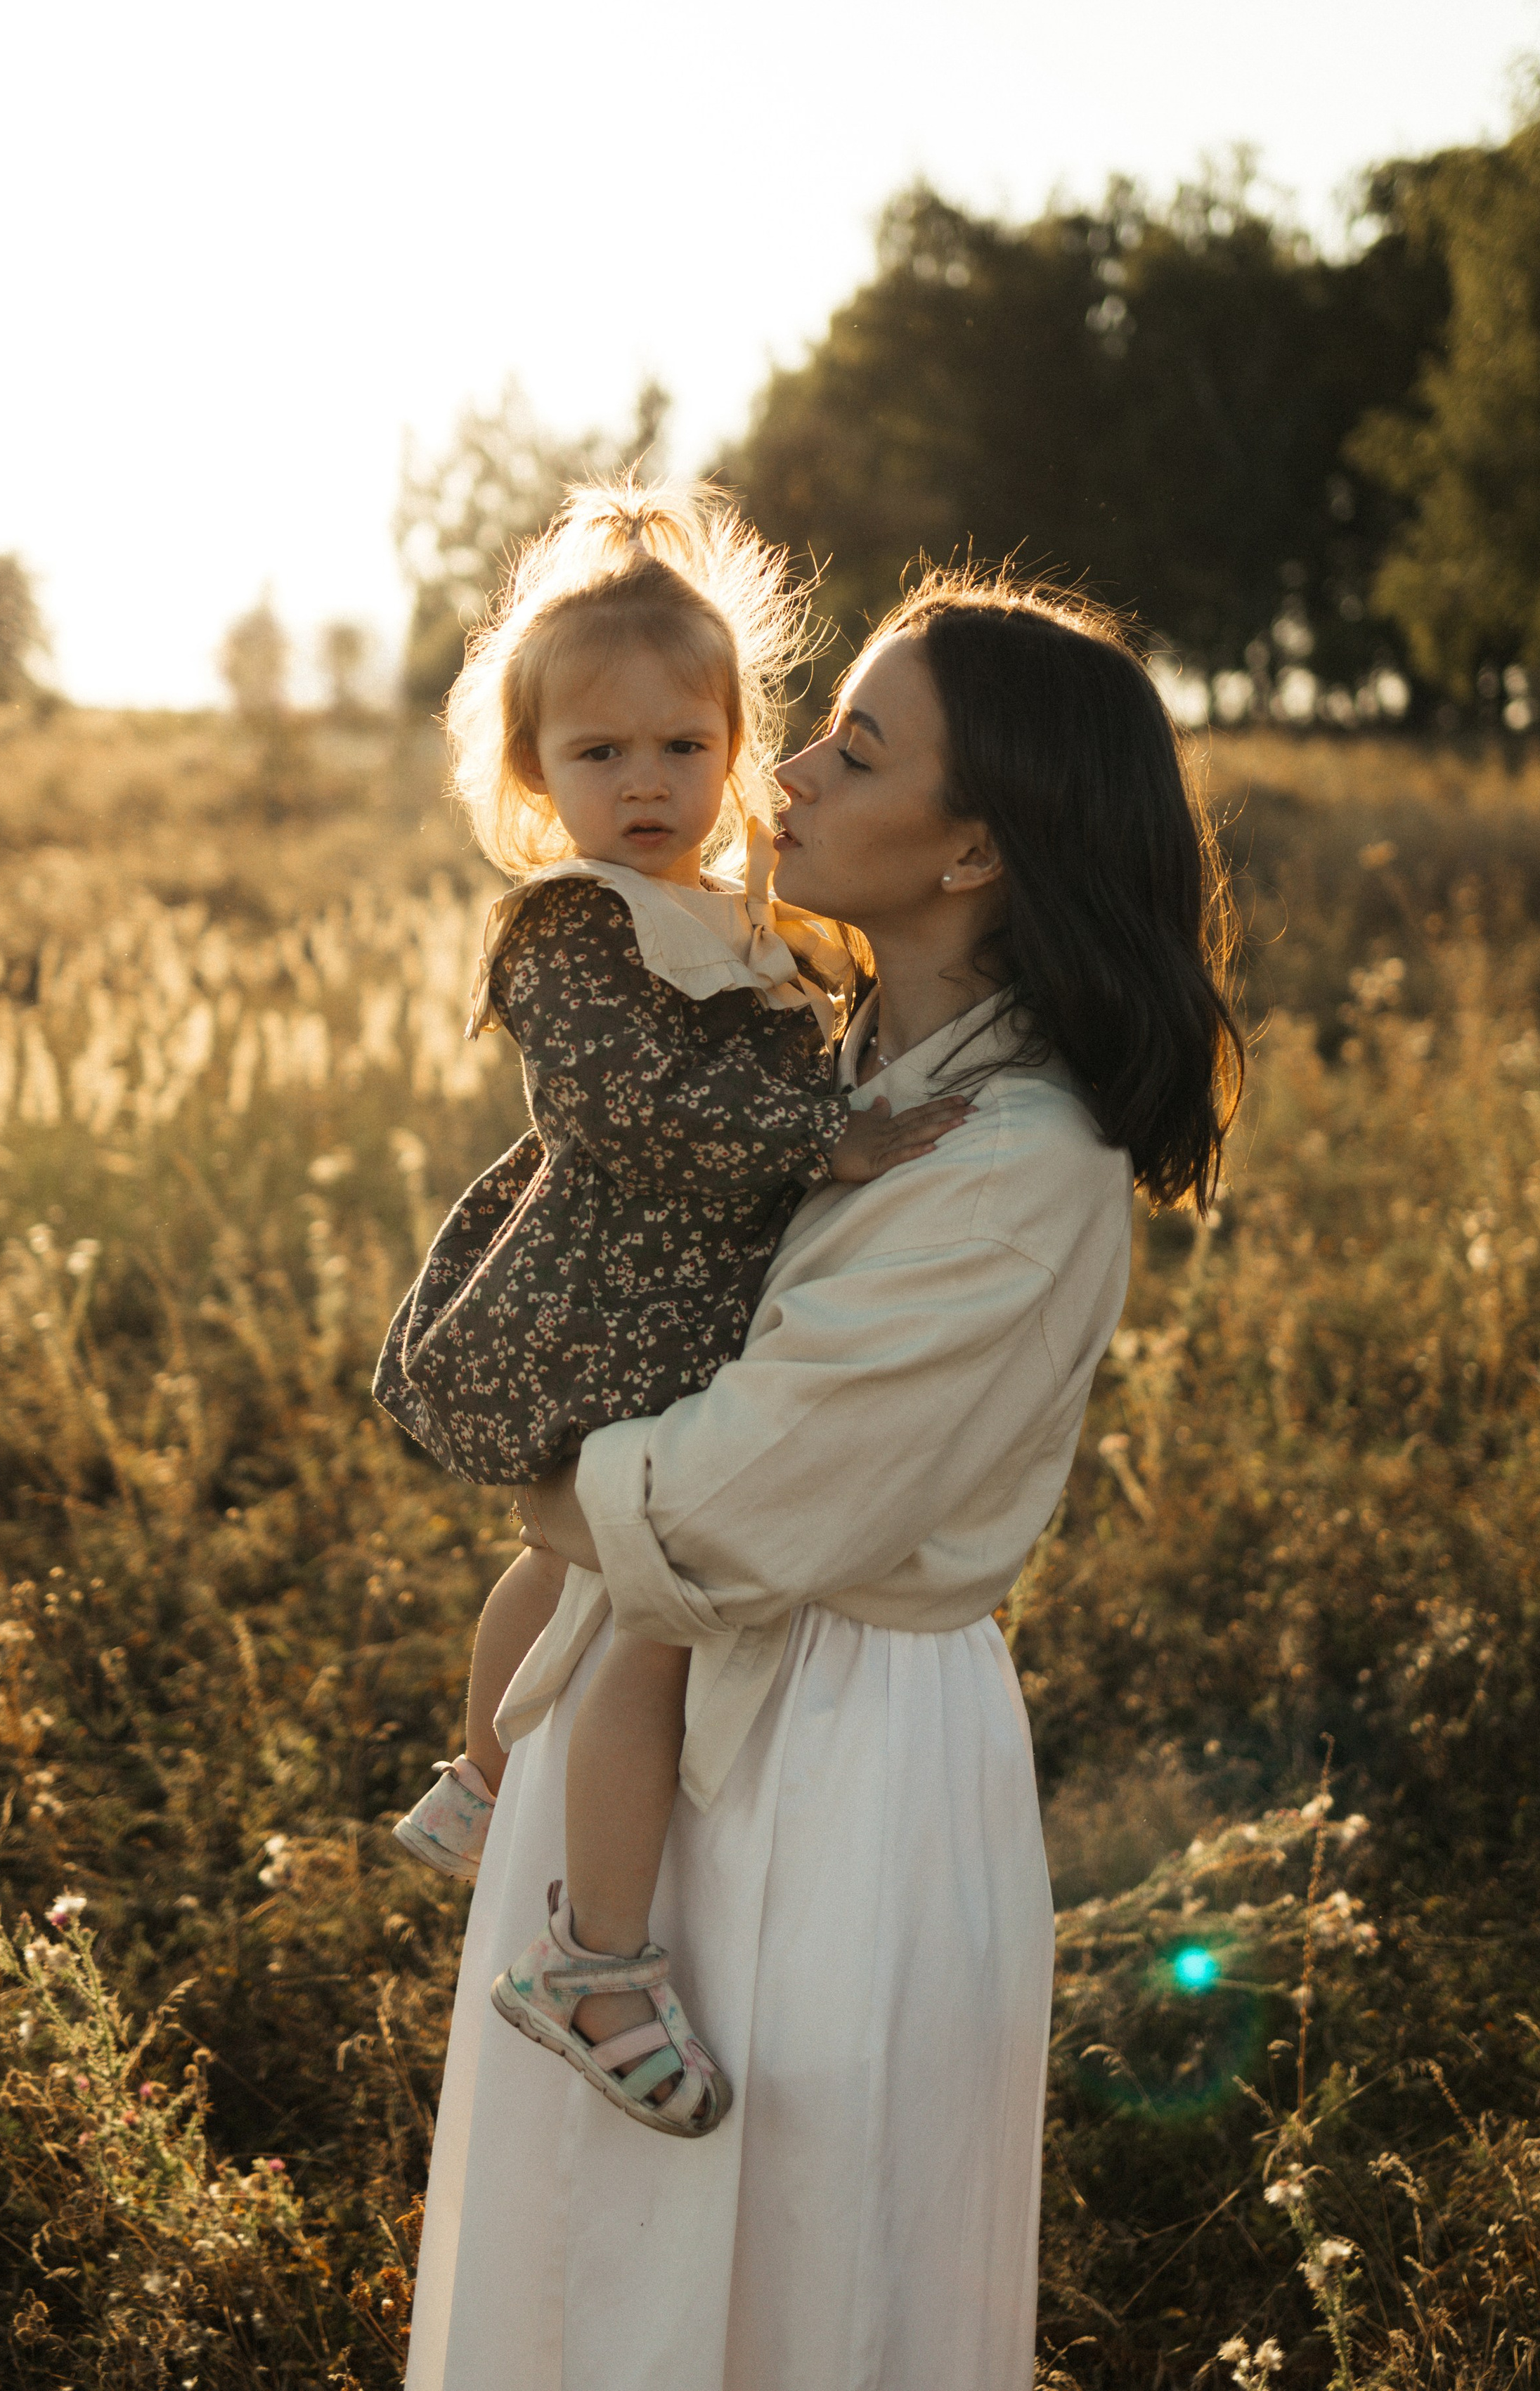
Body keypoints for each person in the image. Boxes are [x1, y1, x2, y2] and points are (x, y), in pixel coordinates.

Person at [404, 563, 1243, 2391]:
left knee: (787, 2296)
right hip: (646, 1748)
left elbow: (712, 1508)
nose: (778, 770)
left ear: (973, 850)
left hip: (828, 1765)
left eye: (854, 751)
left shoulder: (1014, 1164)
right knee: (589, 2291)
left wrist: (508, 1452)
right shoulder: (825, 1042)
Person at [375, 482, 964, 2134]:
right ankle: (595, 1955)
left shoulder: (734, 911)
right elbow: (624, 1102)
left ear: (732, 749)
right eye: (598, 753)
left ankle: (483, 1778)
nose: (643, 782)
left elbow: (819, 1009)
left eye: (681, 747)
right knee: (643, 1617)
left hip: (691, 1319)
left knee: (569, 1562)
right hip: (607, 1314)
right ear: (532, 775)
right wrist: (819, 1138)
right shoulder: (573, 927)